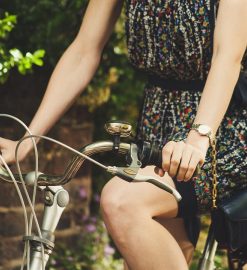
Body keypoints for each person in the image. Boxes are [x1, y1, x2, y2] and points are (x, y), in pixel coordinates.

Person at [0, 0, 247, 269]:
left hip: (222, 127)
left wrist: (198, 140)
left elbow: (227, 57)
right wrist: (27, 141)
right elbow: (84, 51)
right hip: (157, 123)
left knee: (121, 202)